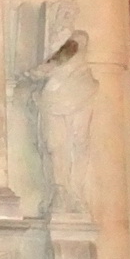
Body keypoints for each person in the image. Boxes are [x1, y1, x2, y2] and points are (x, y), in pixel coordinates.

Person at [26, 31, 99, 214]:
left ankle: (75, 193)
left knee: (79, 144)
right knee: (54, 145)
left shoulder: (78, 39)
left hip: (78, 93)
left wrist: (46, 68)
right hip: (53, 98)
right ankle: (60, 190)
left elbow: (70, 49)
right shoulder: (49, 46)